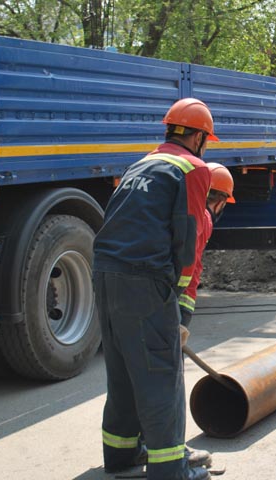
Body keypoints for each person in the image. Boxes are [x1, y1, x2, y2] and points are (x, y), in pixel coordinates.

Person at [92, 98, 219, 480]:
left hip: (105, 273)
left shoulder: (141, 163)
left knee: (124, 370)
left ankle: (121, 454)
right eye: (206, 140)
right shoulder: (194, 168)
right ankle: (169, 468)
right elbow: (188, 238)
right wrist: (180, 311)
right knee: (161, 374)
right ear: (197, 137)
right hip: (144, 281)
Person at [179, 162, 235, 328]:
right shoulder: (204, 219)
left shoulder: (184, 209)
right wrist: (184, 313)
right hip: (174, 299)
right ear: (221, 201)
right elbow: (191, 264)